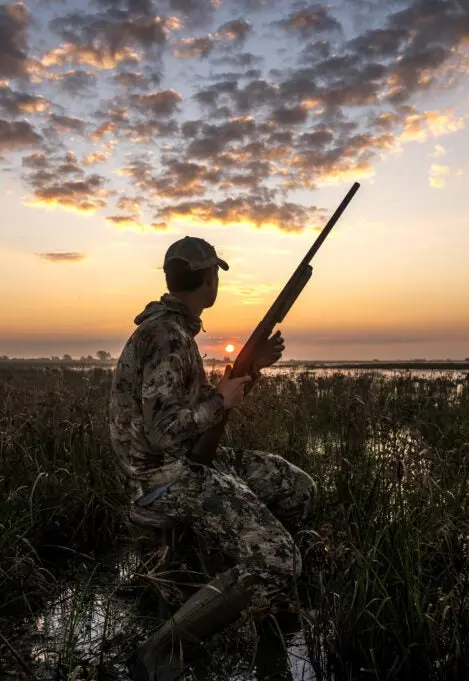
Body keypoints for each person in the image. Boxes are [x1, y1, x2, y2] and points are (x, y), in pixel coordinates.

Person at [109, 236, 316, 681]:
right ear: (208, 279)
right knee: (281, 557)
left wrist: (248, 370)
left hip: (183, 462)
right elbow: (164, 431)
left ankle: (268, 613)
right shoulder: (166, 335)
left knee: (296, 486)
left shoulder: (173, 330)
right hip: (162, 477)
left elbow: (193, 411)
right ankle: (158, 653)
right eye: (214, 275)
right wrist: (220, 401)